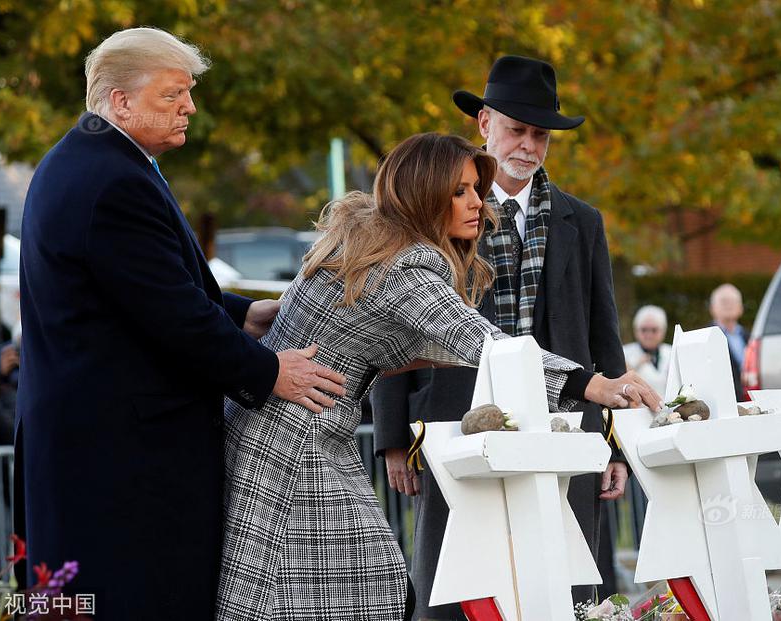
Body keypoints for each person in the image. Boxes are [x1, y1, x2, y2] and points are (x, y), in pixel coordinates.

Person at [217, 133, 660, 621]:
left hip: (281, 431)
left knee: (324, 592)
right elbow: (484, 341)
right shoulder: (405, 267)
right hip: (293, 445)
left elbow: (403, 342)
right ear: (426, 193)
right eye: (461, 192)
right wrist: (593, 385)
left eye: (475, 189)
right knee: (357, 588)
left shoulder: (365, 240)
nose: (479, 204)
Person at [18, 28, 345, 621]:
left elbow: (151, 288)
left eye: (188, 92)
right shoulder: (111, 180)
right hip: (124, 467)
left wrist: (246, 314)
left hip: (98, 452)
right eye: (173, 94)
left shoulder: (90, 160)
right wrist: (272, 371)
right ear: (120, 101)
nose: (190, 106)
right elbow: (171, 315)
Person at [369, 55, 647, 619]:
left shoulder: (582, 220)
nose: (528, 145)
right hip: (453, 419)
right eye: (516, 129)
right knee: (456, 579)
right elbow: (393, 327)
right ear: (484, 125)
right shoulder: (439, 208)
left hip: (565, 423)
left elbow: (603, 336)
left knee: (565, 581)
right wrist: (393, 436)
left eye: (540, 134)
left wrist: (613, 443)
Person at [709, 283, 747, 400]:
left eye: (733, 301)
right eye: (723, 301)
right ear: (712, 308)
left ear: (741, 308)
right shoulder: (705, 338)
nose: (728, 305)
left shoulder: (752, 337)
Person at [623, 305, 672, 396]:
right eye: (644, 330)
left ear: (663, 331)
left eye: (654, 330)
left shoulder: (672, 352)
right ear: (636, 331)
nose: (649, 335)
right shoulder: (624, 353)